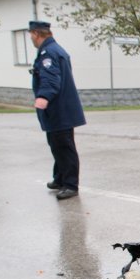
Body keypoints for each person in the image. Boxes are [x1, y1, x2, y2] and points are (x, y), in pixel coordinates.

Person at [29, 20, 86, 200]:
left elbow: (51, 80)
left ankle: (70, 184)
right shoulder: (54, 50)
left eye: (31, 34)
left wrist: (43, 97)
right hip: (58, 110)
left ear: (36, 34)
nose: (30, 38)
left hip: (59, 110)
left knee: (64, 147)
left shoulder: (49, 53)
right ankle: (60, 178)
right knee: (56, 145)